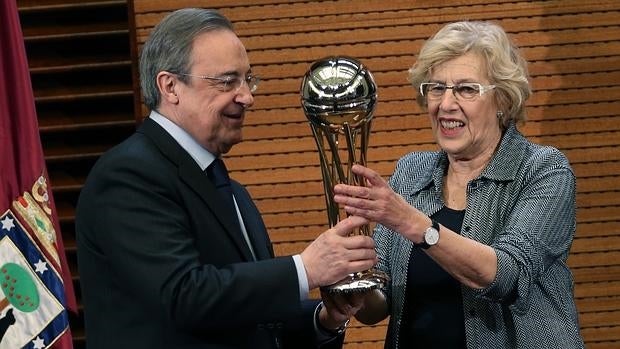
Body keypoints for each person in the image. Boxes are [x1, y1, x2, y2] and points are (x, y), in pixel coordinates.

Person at [75, 8, 376, 349]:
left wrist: (325, 319)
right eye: (227, 81)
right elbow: (184, 297)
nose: (247, 96)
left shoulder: (232, 193)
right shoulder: (128, 176)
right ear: (170, 86)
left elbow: (253, 323)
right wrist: (305, 269)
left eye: (248, 80)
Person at [332, 20, 585, 348]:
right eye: (437, 87)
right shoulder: (412, 171)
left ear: (503, 101)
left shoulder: (543, 170)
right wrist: (350, 286)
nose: (446, 104)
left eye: (466, 89)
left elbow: (507, 276)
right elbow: (379, 306)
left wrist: (413, 223)